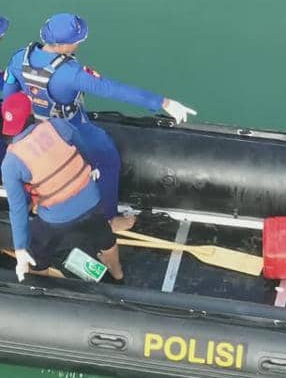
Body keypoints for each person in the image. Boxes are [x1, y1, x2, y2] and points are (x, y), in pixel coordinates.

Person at [3, 13, 196, 229]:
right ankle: (110, 218)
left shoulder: (20, 58)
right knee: (107, 158)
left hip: (33, 128)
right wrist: (163, 102)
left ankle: (31, 203)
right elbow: (111, 89)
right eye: (77, 41)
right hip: (70, 127)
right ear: (65, 45)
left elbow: (9, 97)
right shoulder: (71, 73)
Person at [2, 93, 124, 283]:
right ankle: (118, 276)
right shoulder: (57, 125)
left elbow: (17, 210)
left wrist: (20, 249)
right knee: (106, 239)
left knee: (36, 254)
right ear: (31, 113)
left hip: (56, 219)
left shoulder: (10, 163)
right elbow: (86, 150)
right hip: (91, 199)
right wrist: (90, 168)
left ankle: (41, 283)